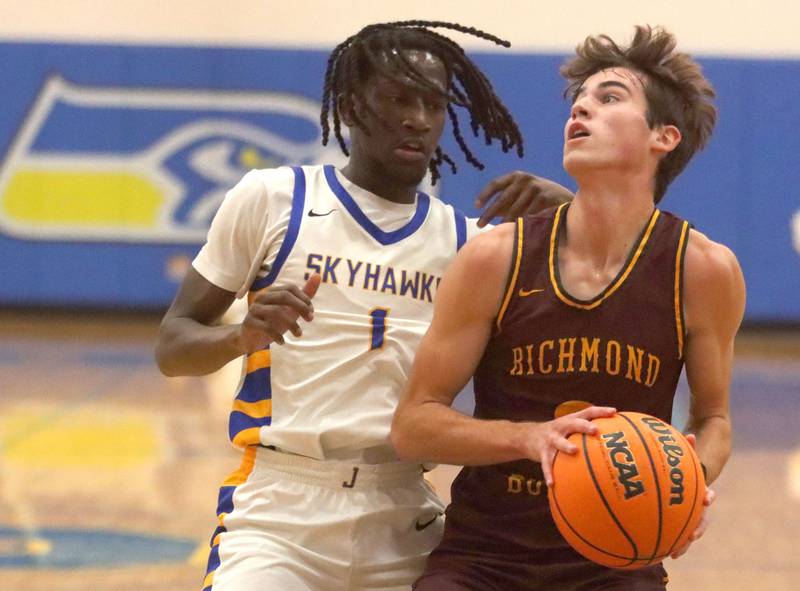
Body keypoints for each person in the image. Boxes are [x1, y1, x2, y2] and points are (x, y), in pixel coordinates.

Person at [155, 20, 572, 591]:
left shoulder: (468, 244)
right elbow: (173, 345)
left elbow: (597, 299)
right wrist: (239, 338)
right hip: (280, 512)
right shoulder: (273, 198)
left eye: (433, 104)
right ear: (351, 107)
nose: (419, 120)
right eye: (399, 98)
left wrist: (575, 217)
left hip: (405, 510)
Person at [391, 25, 746, 590]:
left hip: (616, 565)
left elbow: (715, 419)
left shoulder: (702, 270)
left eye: (609, 98)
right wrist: (528, 438)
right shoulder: (495, 258)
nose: (582, 106)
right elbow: (413, 426)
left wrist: (687, 483)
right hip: (485, 559)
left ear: (664, 136)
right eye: (581, 99)